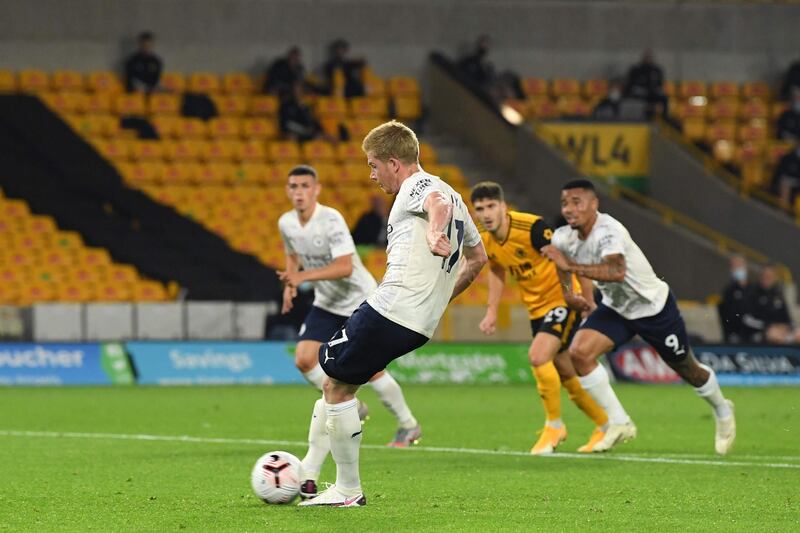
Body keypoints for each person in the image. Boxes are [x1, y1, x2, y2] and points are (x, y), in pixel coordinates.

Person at [296, 121, 487, 507]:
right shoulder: (458, 196)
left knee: (330, 376)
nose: (371, 174)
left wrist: (435, 231)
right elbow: (478, 258)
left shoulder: (419, 185)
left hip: (391, 308)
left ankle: (344, 489)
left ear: (394, 163)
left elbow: (438, 203)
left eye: (373, 165)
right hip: (419, 322)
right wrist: (440, 299)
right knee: (339, 384)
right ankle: (312, 473)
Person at [541, 179, 736, 455]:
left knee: (687, 368)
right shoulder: (563, 236)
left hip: (653, 308)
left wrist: (570, 267)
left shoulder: (609, 230)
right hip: (617, 308)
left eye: (576, 202)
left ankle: (722, 409)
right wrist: (567, 293)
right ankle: (620, 423)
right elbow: (561, 262)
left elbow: (616, 270)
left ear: (594, 204)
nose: (569, 209)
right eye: (564, 203)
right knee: (579, 353)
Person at [277, 164, 424, 499]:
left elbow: (344, 266)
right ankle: (350, 407)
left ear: (316, 189)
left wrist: (301, 279)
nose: (298, 191)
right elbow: (292, 254)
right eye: (293, 186)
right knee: (304, 359)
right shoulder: (286, 222)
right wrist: (290, 281)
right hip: (327, 302)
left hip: (358, 298)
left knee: (370, 372)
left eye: (304, 185)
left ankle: (408, 423)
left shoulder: (330, 220)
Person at [470, 181, 608, 454]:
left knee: (537, 356)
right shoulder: (485, 239)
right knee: (565, 370)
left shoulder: (531, 227)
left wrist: (582, 296)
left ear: (503, 206)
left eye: (490, 206)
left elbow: (566, 258)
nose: (486, 214)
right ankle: (605, 424)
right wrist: (491, 311)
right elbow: (497, 270)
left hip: (562, 299)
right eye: (479, 208)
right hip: (537, 309)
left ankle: (554, 426)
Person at [745, 264, 800, 344]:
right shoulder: (753, 293)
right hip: (760, 332)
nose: (768, 278)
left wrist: (787, 326)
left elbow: (787, 316)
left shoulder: (779, 294)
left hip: (782, 330)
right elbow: (748, 319)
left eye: (771, 276)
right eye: (766, 275)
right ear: (761, 277)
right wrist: (768, 326)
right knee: (774, 334)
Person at [717, 255, 755, 344]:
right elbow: (727, 315)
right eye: (734, 267)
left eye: (740, 266)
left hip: (753, 331)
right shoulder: (729, 291)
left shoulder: (754, 289)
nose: (738, 269)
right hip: (735, 333)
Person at [623, 49, 668, 117]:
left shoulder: (656, 70)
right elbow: (630, 85)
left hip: (652, 93)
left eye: (649, 57)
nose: (648, 59)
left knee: (664, 98)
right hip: (640, 94)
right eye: (646, 57)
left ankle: (665, 118)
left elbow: (659, 84)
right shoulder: (636, 70)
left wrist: (656, 90)